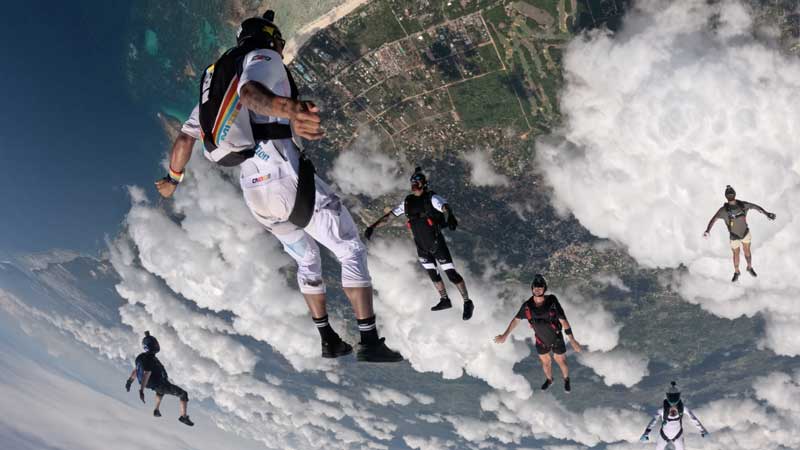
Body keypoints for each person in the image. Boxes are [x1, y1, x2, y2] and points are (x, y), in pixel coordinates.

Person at [155, 10, 401, 362]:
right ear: (270, 38)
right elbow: (252, 93)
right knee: (349, 248)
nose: (282, 48)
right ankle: (369, 341)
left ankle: (327, 337)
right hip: (285, 181)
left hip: (257, 199)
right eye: (280, 41)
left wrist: (172, 180)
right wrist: (289, 109)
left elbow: (184, 140)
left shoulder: (214, 92)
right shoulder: (263, 57)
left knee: (308, 260)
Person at [364, 168, 474, 320]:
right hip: (422, 247)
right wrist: (372, 227)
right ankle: (444, 300)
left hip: (436, 243)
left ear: (424, 183)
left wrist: (451, 217)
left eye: (417, 181)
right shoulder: (407, 202)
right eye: (412, 182)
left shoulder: (431, 198)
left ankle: (467, 302)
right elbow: (390, 216)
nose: (414, 184)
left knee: (451, 275)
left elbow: (445, 207)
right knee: (433, 275)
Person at [494, 275, 582, 392]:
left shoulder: (552, 301)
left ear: (544, 289)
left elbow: (563, 320)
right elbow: (516, 320)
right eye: (535, 288)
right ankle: (550, 380)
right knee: (546, 363)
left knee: (560, 360)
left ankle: (566, 379)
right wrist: (505, 335)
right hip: (541, 339)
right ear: (532, 289)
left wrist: (572, 340)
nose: (537, 290)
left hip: (556, 337)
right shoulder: (527, 306)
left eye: (540, 288)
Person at [703, 185, 776, 282]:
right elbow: (757, 207)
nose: (730, 195)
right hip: (737, 236)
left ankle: (747, 268)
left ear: (726, 196)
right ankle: (738, 271)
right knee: (741, 253)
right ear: (734, 194)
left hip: (741, 235)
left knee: (742, 253)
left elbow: (713, 220)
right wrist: (767, 214)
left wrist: (708, 230)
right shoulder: (740, 206)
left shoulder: (730, 208)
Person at [125, 332, 194, 426]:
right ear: (152, 346)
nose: (157, 345)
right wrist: (141, 390)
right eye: (156, 344)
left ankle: (156, 410)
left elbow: (137, 370)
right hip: (159, 384)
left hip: (158, 383)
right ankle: (183, 417)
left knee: (160, 392)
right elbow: (146, 374)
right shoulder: (149, 359)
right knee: (183, 394)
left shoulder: (141, 357)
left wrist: (129, 381)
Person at [640, 381, 709, 449]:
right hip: (666, 436)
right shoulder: (663, 410)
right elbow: (653, 422)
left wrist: (646, 433)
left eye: (675, 396)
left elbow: (694, 419)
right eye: (671, 396)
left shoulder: (680, 408)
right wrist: (703, 431)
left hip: (675, 435)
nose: (673, 404)